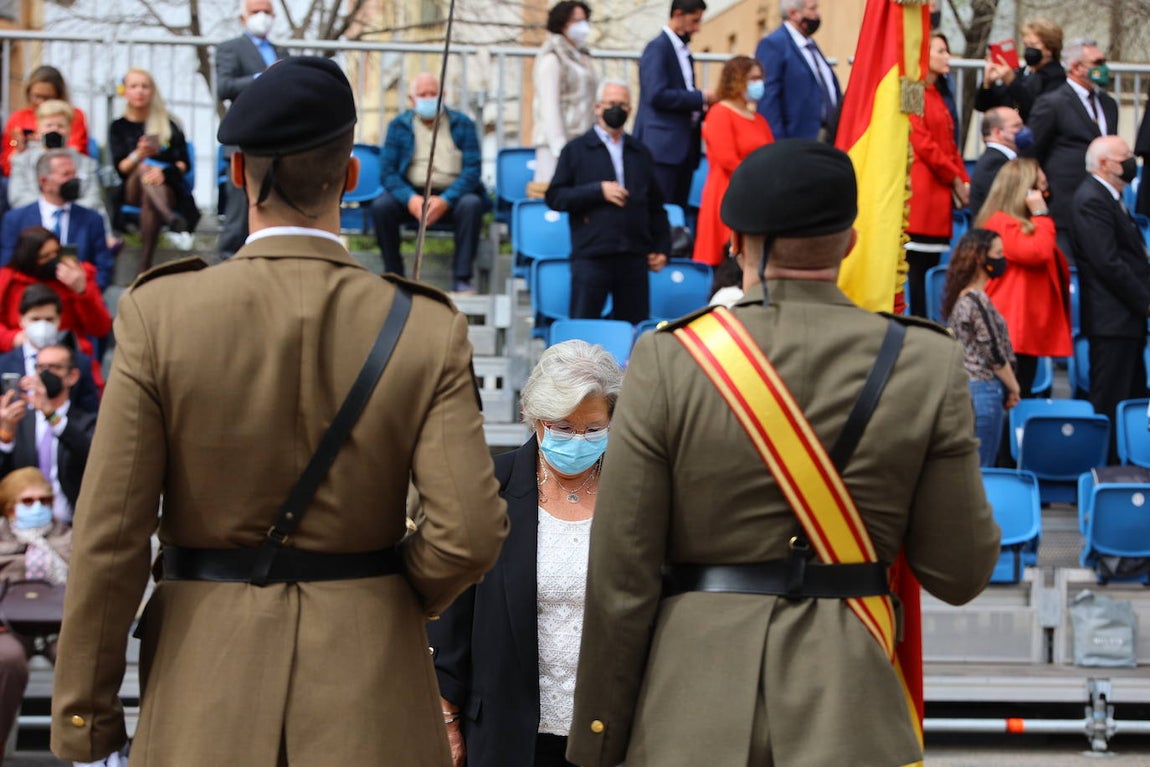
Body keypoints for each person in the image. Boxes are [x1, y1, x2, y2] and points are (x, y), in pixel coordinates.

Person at [49, 57, 508, 765]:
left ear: (237, 173)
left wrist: (86, 713)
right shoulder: (424, 324)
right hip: (372, 693)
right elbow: (470, 532)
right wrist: (382, 594)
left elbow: (111, 536)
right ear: (351, 176)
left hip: (205, 688)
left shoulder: (160, 312)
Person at [566, 139, 1000, 766]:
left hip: (691, 707)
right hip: (851, 708)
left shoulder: (669, 359)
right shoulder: (925, 361)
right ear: (850, 241)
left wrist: (599, 736)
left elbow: (621, 574)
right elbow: (960, 572)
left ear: (737, 240)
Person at [429, 339, 623, 767]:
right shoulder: (489, 488)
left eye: (592, 428)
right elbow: (451, 619)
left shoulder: (634, 493)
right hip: (504, 730)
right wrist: (446, 720)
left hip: (611, 731)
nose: (578, 439)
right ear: (533, 419)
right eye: (563, 427)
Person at [545, 80, 670, 324]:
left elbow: (656, 206)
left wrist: (662, 248)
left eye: (623, 104)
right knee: (582, 330)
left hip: (633, 256)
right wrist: (597, 191)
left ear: (630, 110)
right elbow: (556, 197)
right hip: (592, 255)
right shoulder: (576, 150)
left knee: (634, 332)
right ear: (598, 107)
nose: (617, 109)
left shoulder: (640, 152)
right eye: (611, 103)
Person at [372, 72, 488, 293]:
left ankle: (462, 278)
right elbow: (387, 173)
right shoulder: (398, 126)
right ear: (412, 99)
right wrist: (410, 199)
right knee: (382, 207)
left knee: (472, 205)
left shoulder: (463, 124)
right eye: (422, 94)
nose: (428, 98)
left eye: (433, 93)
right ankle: (394, 276)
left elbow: (473, 171)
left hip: (453, 196)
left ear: (443, 96)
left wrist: (446, 200)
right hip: (411, 195)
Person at [1070, 136, 1150, 449]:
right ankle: (1100, 471)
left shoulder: (1111, 197)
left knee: (1130, 399)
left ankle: (1126, 469)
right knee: (1110, 401)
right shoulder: (1092, 198)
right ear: (1104, 164)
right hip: (1111, 319)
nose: (1131, 161)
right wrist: (1146, 302)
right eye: (1125, 156)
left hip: (1124, 320)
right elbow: (1108, 262)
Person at [976, 158, 1072, 396]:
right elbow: (1036, 253)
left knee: (1023, 393)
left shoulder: (1027, 225)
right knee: (1010, 398)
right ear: (1023, 190)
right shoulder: (1000, 222)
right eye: (1040, 188)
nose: (1045, 194)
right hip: (1010, 327)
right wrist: (1040, 214)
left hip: (1025, 328)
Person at [0, 467, 70, 754]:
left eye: (44, 500)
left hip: (62, 627)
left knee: (77, 657)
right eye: (28, 501)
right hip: (9, 627)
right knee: (6, 658)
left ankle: (83, 749)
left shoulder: (69, 537)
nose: (38, 507)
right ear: (9, 507)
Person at [1029, 37, 1117, 260]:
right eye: (1097, 62)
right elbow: (1031, 150)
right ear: (1077, 67)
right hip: (1065, 207)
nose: (1103, 68)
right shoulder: (1053, 102)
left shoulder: (1108, 104)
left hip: (1101, 207)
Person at [941, 229, 1021, 467]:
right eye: (997, 253)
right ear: (979, 258)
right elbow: (993, 352)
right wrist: (1014, 387)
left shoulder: (964, 298)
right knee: (982, 469)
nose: (1001, 259)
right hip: (983, 391)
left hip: (972, 390)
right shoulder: (977, 300)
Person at [216, 0, 288, 259]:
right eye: (256, 12)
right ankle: (223, 278)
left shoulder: (282, 52)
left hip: (277, 145)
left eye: (267, 12)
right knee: (237, 220)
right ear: (243, 17)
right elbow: (224, 87)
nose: (262, 17)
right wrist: (263, 77)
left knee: (272, 217)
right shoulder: (230, 49)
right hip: (244, 144)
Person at [109, 68, 199, 273]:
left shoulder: (168, 124)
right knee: (143, 168)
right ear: (125, 91)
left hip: (165, 187)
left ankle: (144, 266)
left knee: (150, 198)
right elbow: (121, 168)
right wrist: (139, 154)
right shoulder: (119, 127)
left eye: (145, 86)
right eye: (134, 86)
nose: (140, 91)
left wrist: (163, 174)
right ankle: (170, 218)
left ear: (152, 91)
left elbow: (183, 163)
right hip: (132, 188)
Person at [906, 32, 969, 319]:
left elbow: (949, 142)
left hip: (939, 194)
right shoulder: (911, 88)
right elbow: (920, 140)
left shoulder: (939, 94)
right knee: (915, 273)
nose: (947, 57)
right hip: (921, 194)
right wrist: (954, 176)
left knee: (930, 267)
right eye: (940, 51)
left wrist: (962, 178)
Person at [0, 343, 96, 523]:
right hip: (22, 528)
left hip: (73, 527)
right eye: (41, 367)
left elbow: (92, 455)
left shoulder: (87, 422)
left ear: (72, 376)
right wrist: (5, 435)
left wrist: (51, 415)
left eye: (55, 367)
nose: (46, 373)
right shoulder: (20, 421)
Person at [692, 56, 773, 266]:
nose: (758, 84)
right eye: (752, 78)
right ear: (736, 80)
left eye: (760, 78)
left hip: (758, 195)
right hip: (728, 192)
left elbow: (772, 154)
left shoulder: (759, 119)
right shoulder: (719, 113)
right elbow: (726, 158)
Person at [633, 0, 713, 208]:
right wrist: (701, 98)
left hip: (684, 148)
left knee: (676, 216)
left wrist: (704, 107)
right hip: (662, 150)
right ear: (678, 14)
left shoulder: (684, 52)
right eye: (694, 21)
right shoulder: (657, 48)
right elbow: (656, 94)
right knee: (659, 212)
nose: (697, 28)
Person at [0, 150, 114, 291]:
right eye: (66, 174)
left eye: (74, 174)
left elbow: (103, 267)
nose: (74, 180)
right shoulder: (15, 219)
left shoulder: (92, 219)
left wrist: (85, 289)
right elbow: (7, 265)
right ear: (44, 181)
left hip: (77, 300)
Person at [0, 227, 110, 368]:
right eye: (45, 257)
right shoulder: (7, 279)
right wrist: (13, 339)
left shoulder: (76, 275)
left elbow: (100, 328)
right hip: (18, 357)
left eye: (56, 253)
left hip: (68, 358)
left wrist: (82, 290)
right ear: (29, 258)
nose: (53, 260)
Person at [8, 100, 110, 239]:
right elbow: (18, 198)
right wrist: (49, 209)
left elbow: (92, 199)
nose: (54, 130)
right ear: (38, 128)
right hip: (33, 227)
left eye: (60, 125)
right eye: (49, 125)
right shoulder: (21, 160)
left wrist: (65, 212)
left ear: (69, 130)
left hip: (77, 224)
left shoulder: (86, 163)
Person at [0, 284, 101, 413]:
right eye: (35, 319)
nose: (42, 325)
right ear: (21, 319)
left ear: (59, 320)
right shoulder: (3, 364)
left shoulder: (80, 363)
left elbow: (89, 417)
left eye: (49, 319)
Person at [531, 1, 598, 192]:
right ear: (561, 23)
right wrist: (560, 148)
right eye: (576, 21)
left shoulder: (584, 56)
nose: (582, 26)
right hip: (556, 145)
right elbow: (549, 106)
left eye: (584, 20)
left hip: (582, 139)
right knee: (555, 193)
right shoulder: (552, 58)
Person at [754, 0, 841, 142]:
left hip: (829, 137)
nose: (817, 14)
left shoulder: (811, 46)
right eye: (812, 9)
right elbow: (768, 100)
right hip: (798, 142)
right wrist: (779, 147)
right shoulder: (774, 44)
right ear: (793, 13)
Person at [1, 65, 91, 177]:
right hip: (26, 174)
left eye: (47, 98)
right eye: (36, 96)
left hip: (63, 175)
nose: (41, 102)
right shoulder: (18, 118)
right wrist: (18, 147)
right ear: (28, 93)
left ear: (59, 95)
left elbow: (78, 152)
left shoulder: (73, 116)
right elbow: (7, 165)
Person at [975, 17, 1065, 122]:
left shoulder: (1057, 77)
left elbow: (1035, 108)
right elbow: (982, 106)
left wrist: (1012, 82)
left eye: (1033, 45)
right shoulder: (1021, 73)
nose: (1028, 49)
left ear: (1050, 49)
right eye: (1026, 45)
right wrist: (988, 84)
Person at [969, 106, 1030, 219]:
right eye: (1016, 126)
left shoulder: (1003, 158)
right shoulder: (994, 163)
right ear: (997, 132)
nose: (1023, 130)